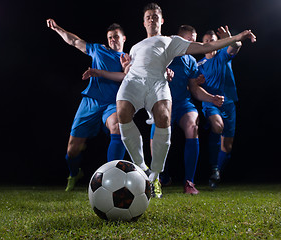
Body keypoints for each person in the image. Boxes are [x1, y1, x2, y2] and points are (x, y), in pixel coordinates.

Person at [83, 5, 256, 198]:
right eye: (148, 17)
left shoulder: (171, 41)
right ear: (144, 22)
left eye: (155, 16)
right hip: (134, 82)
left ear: (161, 20)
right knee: (122, 114)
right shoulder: (135, 46)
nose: (152, 19)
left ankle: (156, 176)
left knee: (164, 118)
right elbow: (130, 69)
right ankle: (143, 168)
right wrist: (126, 67)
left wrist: (235, 38)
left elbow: (205, 47)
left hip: (158, 83)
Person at [46, 19, 127, 191]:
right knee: (72, 150)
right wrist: (57, 28)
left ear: (124, 39)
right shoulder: (98, 49)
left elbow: (128, 77)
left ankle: (113, 177)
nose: (113, 40)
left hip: (112, 104)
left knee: (118, 127)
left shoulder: (127, 59)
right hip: (90, 102)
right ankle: (74, 173)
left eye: (116, 37)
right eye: (110, 37)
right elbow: (75, 41)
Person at [149, 25, 224, 195]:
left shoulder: (190, 60)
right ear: (177, 40)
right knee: (157, 140)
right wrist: (162, 76)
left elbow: (194, 88)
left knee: (193, 126)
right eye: (188, 40)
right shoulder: (162, 55)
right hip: (162, 103)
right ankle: (159, 177)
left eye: (194, 39)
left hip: (183, 104)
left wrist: (211, 98)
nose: (192, 43)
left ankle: (189, 182)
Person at [197, 26, 243, 188]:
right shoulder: (199, 65)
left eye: (213, 41)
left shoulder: (223, 56)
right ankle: (214, 167)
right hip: (211, 104)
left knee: (227, 147)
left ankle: (216, 174)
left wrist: (230, 37)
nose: (210, 44)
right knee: (217, 126)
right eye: (207, 41)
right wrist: (197, 83)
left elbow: (235, 46)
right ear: (202, 44)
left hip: (229, 104)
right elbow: (192, 87)